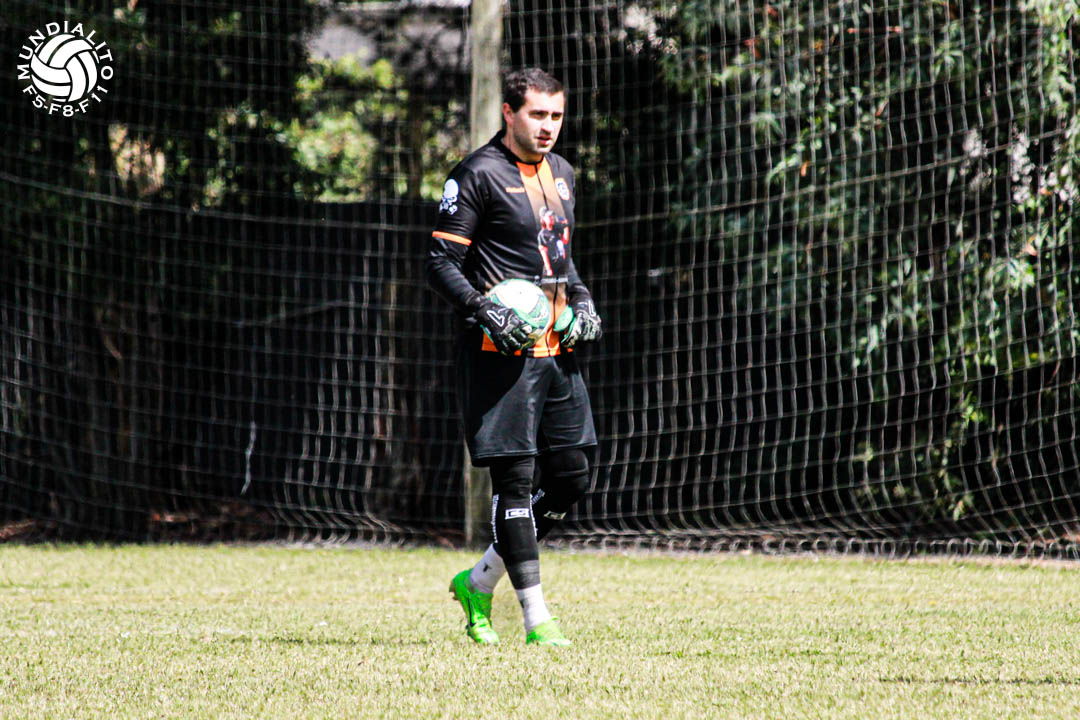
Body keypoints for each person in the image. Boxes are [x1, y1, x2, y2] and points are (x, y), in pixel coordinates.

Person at [425, 68, 602, 646]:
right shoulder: (476, 174)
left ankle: (478, 582)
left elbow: (560, 260)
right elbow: (440, 264)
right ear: (509, 112)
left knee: (572, 477)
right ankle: (536, 620)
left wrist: (582, 300)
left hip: (559, 353)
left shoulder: (564, 173)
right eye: (537, 114)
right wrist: (483, 310)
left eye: (556, 115)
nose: (548, 126)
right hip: (500, 356)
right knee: (516, 485)